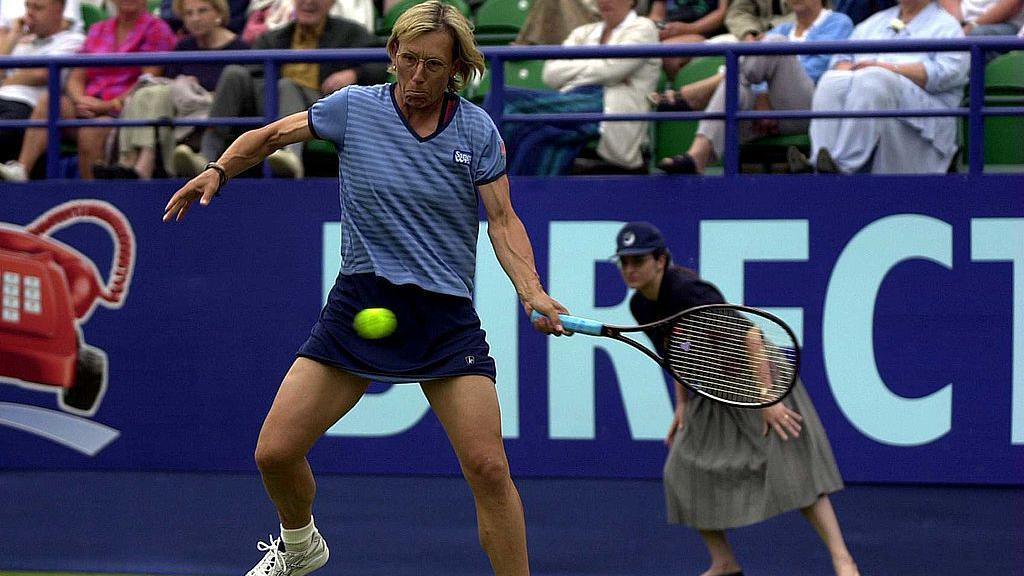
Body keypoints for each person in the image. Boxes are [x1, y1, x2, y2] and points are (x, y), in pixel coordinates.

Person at [162, 2, 567, 575]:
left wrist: (533, 291)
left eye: (434, 65)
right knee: (274, 454)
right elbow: (274, 134)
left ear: (457, 69)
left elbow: (502, 221)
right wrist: (219, 169)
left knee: (488, 468)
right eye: (409, 61)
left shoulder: (476, 128)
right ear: (393, 56)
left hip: (444, 318)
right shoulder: (354, 108)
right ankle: (300, 545)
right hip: (361, 303)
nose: (419, 77)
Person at [613, 221, 859, 576]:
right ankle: (724, 562)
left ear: (661, 261)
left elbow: (751, 335)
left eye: (638, 260)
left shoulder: (689, 292)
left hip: (754, 377)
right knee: (681, 471)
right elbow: (677, 359)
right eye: (624, 262)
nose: (630, 269)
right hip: (710, 388)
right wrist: (681, 406)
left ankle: (842, 559)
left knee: (794, 468)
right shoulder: (641, 307)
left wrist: (769, 400)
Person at [172, 0, 386, 179]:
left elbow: (380, 61)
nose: (308, 2)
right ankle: (206, 157)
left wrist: (354, 74)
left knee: (287, 85)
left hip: (320, 104)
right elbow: (253, 70)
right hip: (270, 104)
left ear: (330, 3)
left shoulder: (349, 32)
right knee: (234, 73)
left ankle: (289, 156)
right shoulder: (274, 37)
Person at [655, 0, 853, 174]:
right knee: (736, 87)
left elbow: (816, 70)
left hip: (809, 109)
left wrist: (764, 92)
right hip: (767, 116)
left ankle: (697, 93)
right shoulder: (783, 29)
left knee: (773, 46)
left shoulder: (838, 22)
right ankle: (697, 156)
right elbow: (754, 67)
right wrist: (762, 95)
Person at [0, 0, 176, 181]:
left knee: (90, 132)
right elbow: (76, 76)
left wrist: (106, 106)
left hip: (124, 110)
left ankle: (93, 199)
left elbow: (146, 81)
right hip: (87, 106)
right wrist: (80, 99)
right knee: (50, 101)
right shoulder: (98, 29)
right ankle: (22, 169)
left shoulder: (158, 29)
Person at [791, 0, 968, 173]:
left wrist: (890, 69)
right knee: (832, 81)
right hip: (872, 96)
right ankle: (818, 161)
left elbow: (947, 72)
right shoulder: (876, 21)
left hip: (924, 113)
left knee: (875, 78)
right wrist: (848, 68)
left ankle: (843, 166)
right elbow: (841, 57)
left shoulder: (947, 26)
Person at [494, 0, 661, 175]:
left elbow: (612, 70)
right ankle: (505, 194)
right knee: (531, 136)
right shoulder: (584, 32)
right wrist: (603, 71)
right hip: (573, 99)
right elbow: (551, 73)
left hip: (610, 111)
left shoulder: (644, 28)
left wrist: (577, 71)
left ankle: (477, 175)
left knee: (506, 100)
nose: (605, 1)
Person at [95, 0, 248, 179]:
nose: (195, 18)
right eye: (189, 14)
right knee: (151, 92)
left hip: (211, 114)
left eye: (202, 11)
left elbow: (239, 93)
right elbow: (170, 84)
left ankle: (137, 164)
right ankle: (133, 162)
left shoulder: (241, 49)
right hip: (179, 113)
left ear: (219, 14)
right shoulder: (183, 48)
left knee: (160, 93)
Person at [0, 0, 84, 163]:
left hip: (26, 108)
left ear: (59, 10)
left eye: (37, 8)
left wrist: (5, 81)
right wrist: (13, 37)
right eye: (27, 6)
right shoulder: (22, 43)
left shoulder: (74, 40)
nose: (29, 13)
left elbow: (42, 74)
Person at [649, 0, 730, 79]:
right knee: (642, 44)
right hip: (669, 29)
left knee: (667, 52)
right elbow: (656, 15)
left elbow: (722, 12)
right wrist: (659, 27)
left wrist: (688, 29)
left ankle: (672, 90)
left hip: (705, 34)